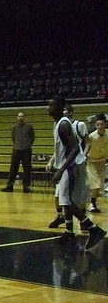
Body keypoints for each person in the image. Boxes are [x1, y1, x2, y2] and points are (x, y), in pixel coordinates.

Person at [47, 96, 105, 251]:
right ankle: (68, 231)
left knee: (66, 201)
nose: (48, 108)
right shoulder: (58, 123)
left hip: (70, 168)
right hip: (67, 166)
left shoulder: (64, 125)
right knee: (66, 200)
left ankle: (94, 229)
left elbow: (74, 149)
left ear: (60, 107)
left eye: (51, 105)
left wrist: (60, 170)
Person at [3, 112, 35, 193]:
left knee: (27, 169)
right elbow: (13, 138)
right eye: (19, 116)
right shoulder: (14, 127)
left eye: (22, 116)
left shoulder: (29, 126)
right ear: (17, 117)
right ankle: (9, 186)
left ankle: (26, 186)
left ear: (24, 118)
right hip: (16, 149)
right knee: (13, 169)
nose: (20, 118)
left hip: (26, 150)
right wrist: (17, 145)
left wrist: (27, 145)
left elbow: (32, 137)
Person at [85, 113, 108, 213]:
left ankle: (92, 202)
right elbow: (86, 146)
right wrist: (84, 156)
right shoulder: (92, 136)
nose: (100, 126)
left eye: (101, 124)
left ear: (105, 125)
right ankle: (91, 204)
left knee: (100, 186)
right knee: (96, 184)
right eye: (98, 125)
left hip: (102, 162)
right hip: (92, 163)